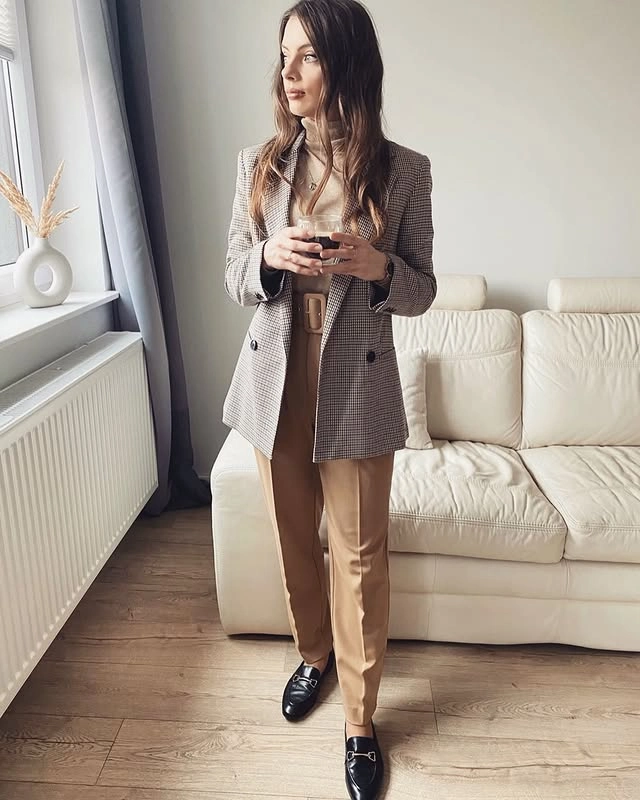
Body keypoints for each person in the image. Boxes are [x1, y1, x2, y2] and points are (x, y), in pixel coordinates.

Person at [223, 1, 436, 796]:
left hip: (358, 377)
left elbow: (421, 287)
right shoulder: (259, 163)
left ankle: (359, 719)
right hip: (275, 374)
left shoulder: (404, 170)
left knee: (360, 556)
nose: (288, 72)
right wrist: (270, 258)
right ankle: (314, 655)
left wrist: (376, 268)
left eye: (307, 56)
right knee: (291, 538)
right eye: (285, 56)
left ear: (346, 64)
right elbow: (232, 272)